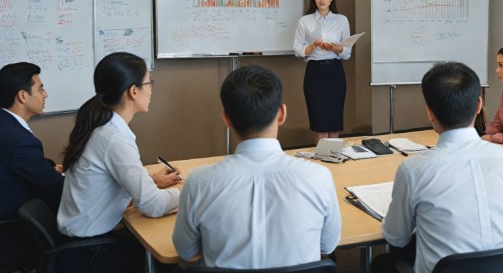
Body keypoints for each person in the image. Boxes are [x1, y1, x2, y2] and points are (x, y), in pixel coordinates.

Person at [173, 65, 341, 269]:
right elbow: (327, 245)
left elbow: (186, 250)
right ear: (281, 114)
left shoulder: (200, 183)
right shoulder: (319, 177)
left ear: (226, 118)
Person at [374, 62, 503, 273]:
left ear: (429, 113)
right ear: (478, 105)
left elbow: (395, 237)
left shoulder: (414, 169)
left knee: (383, 263)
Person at [57, 52, 181, 272]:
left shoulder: (100, 127)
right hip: (93, 254)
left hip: (81, 244)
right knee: (174, 260)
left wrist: (150, 181)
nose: (151, 89)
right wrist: (194, 192)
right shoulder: (114, 138)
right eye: (148, 82)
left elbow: (107, 182)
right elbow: (154, 206)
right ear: (133, 91)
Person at [0, 62, 64, 269]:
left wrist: (49, 167)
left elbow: (21, 163)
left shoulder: (6, 124)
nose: (45, 95)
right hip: (14, 232)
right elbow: (57, 189)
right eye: (40, 89)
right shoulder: (20, 140)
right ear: (22, 96)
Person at [293, 0, 351, 144]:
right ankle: (322, 165)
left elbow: (347, 53)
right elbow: (297, 49)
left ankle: (334, 163)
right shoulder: (305, 21)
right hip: (315, 75)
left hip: (335, 73)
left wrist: (334, 47)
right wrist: (312, 46)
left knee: (334, 126)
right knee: (321, 127)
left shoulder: (342, 20)